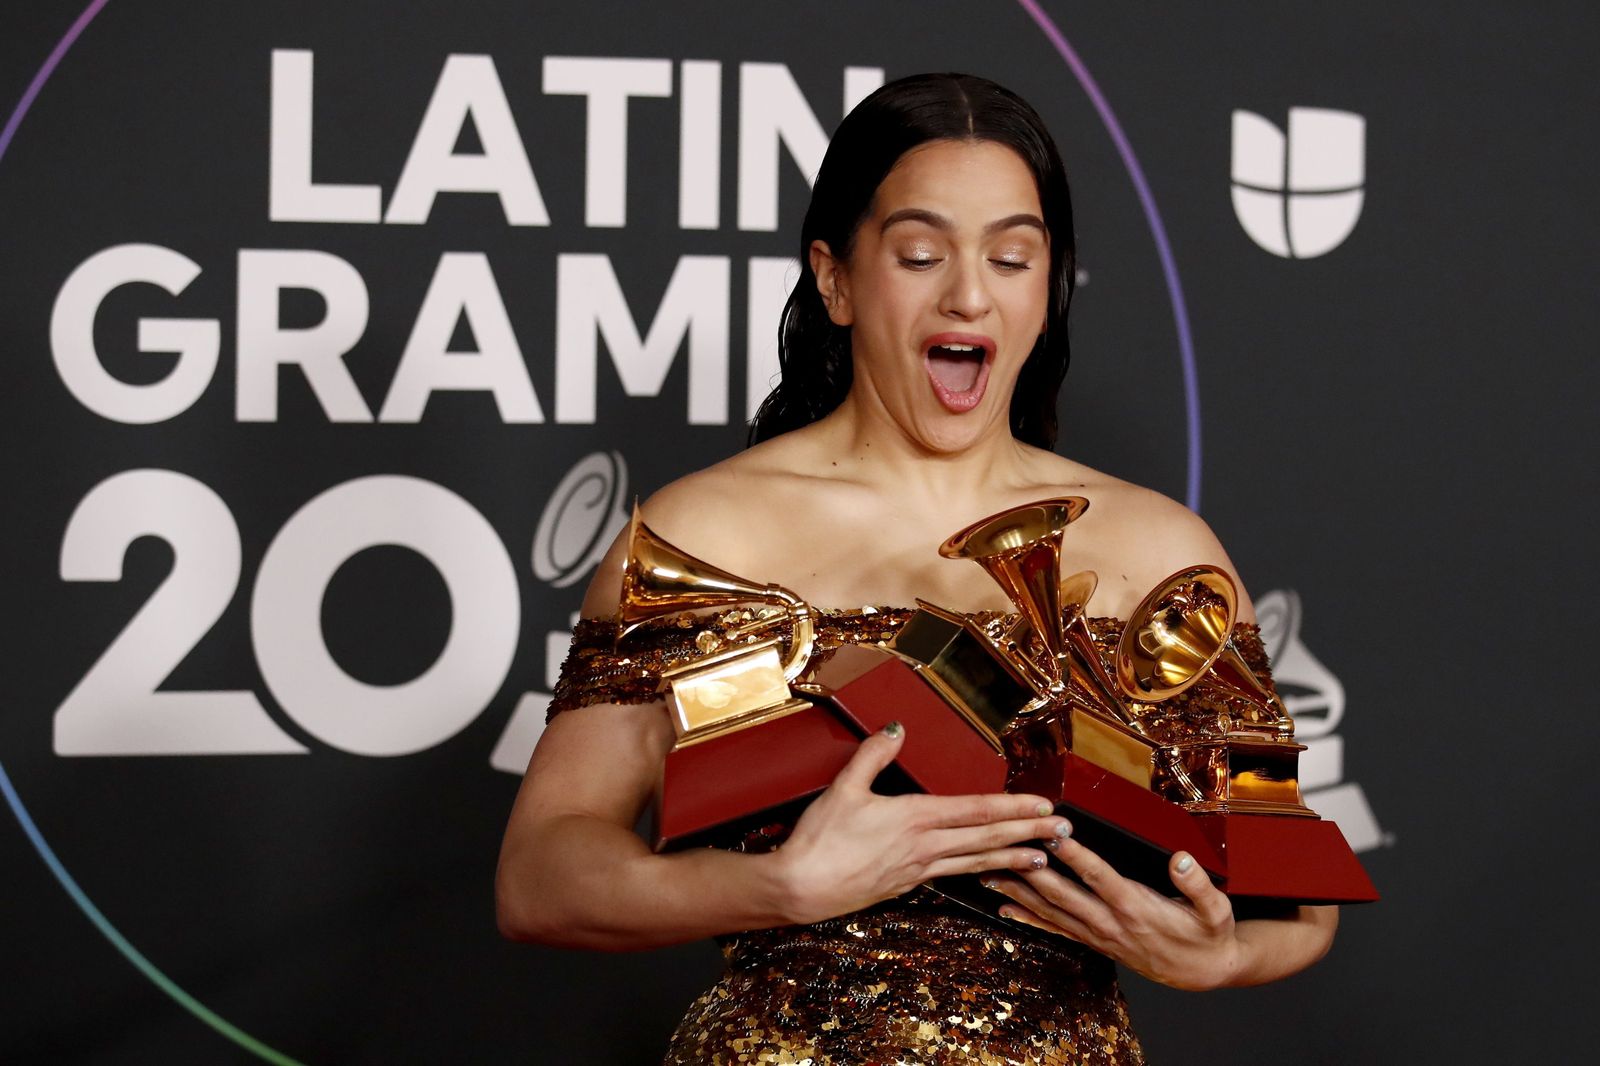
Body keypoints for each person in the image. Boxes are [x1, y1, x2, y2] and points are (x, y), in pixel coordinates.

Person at [496, 72, 1336, 1064]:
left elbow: (1295, 892)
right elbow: (540, 875)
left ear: (1047, 289)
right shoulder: (701, 539)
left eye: (1012, 256)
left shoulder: (1162, 549)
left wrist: (1217, 954)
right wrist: (780, 887)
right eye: (921, 253)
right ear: (836, 278)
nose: (969, 292)